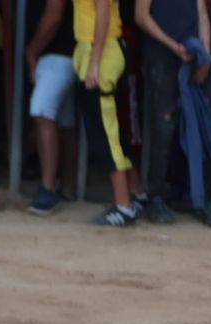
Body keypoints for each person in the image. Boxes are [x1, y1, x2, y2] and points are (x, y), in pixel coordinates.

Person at [135, 0, 211, 226]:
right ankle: (155, 195)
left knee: (196, 124)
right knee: (163, 126)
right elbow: (141, 17)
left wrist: (205, 55)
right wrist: (172, 45)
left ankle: (197, 196)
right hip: (162, 55)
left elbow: (201, 13)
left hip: (191, 54)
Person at [68, 0, 146, 225]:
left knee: (106, 134)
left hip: (101, 50)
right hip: (96, 48)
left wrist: (94, 62)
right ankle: (135, 193)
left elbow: (103, 13)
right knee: (113, 130)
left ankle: (123, 206)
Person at [24, 0, 79, 215]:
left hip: (56, 54)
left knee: (41, 112)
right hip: (66, 53)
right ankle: (69, 187)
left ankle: (48, 188)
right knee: (65, 122)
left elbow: (54, 15)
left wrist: (31, 50)